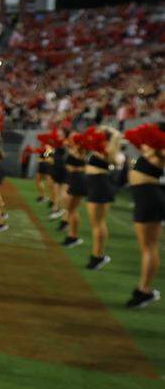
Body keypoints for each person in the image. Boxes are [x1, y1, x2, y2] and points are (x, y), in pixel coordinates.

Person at [124, 123, 163, 308]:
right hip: (144, 196)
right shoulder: (152, 148)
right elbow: (133, 135)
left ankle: (144, 290)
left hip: (151, 196)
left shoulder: (161, 150)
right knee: (146, 247)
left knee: (149, 247)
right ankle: (144, 289)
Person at [83, 126, 120, 271]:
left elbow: (113, 159)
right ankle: (97, 255)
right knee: (96, 224)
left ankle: (97, 257)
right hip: (95, 185)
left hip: (101, 185)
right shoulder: (99, 148)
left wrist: (108, 143)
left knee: (98, 224)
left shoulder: (110, 151)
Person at [61, 136, 88, 248]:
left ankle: (73, 236)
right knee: (71, 209)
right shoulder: (76, 150)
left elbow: (79, 167)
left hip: (76, 180)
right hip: (74, 179)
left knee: (72, 209)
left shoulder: (79, 152)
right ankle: (72, 235)